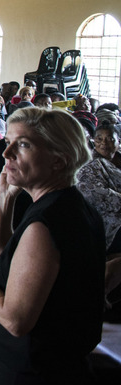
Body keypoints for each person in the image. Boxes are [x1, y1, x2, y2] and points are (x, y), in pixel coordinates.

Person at [0, 108, 106, 385]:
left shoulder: (45, 226)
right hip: (54, 371)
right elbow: (3, 264)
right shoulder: (72, 208)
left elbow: (15, 320)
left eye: (23, 144)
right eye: (8, 141)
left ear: (58, 160)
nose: (6, 152)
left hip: (29, 378)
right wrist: (4, 199)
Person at [76, 123, 121, 299]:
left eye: (110, 139)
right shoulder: (89, 164)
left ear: (118, 142)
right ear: (93, 141)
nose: (104, 143)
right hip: (104, 221)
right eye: (100, 138)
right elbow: (93, 193)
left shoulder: (118, 161)